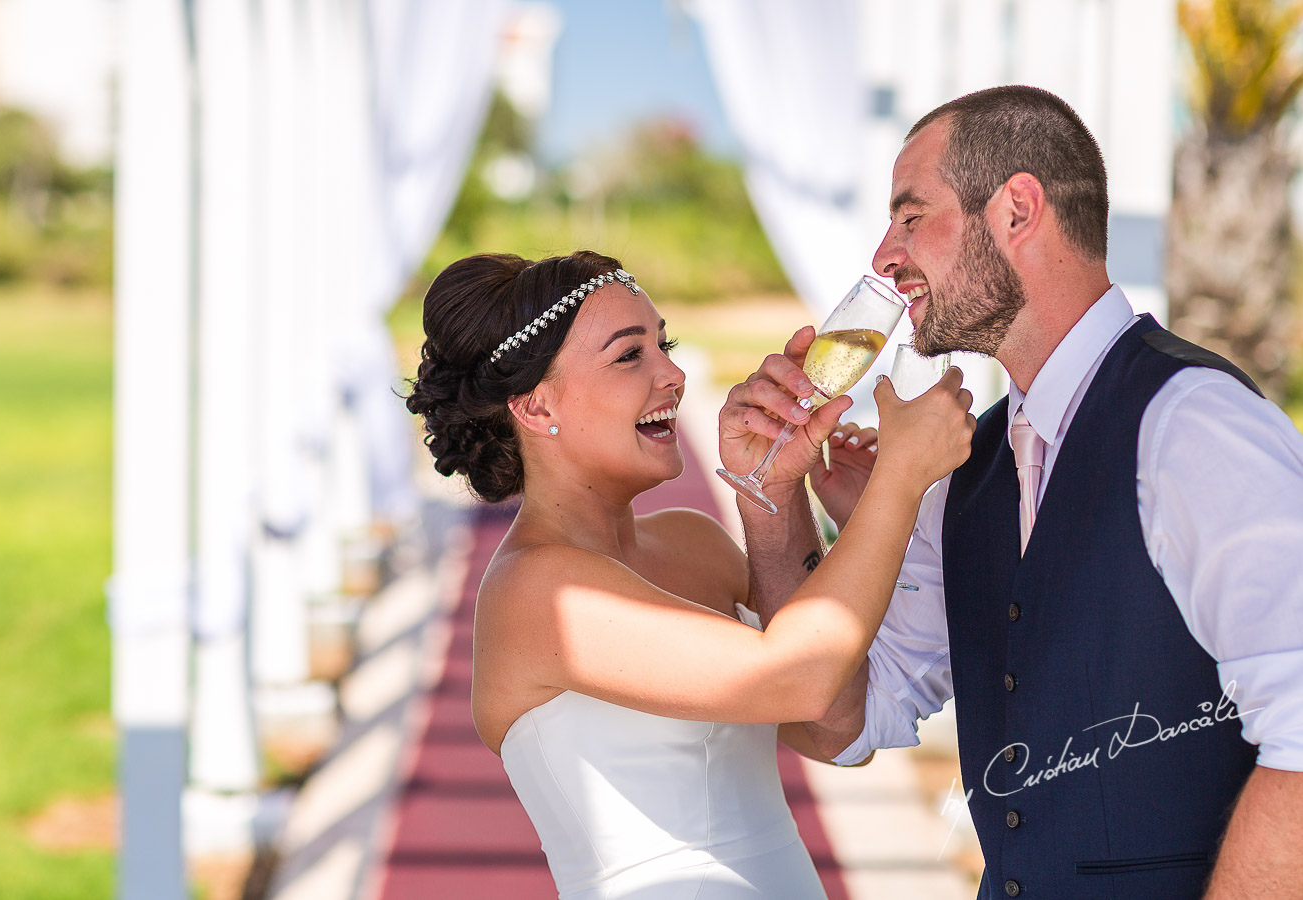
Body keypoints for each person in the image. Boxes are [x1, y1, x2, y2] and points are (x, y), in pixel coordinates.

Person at [722, 85, 1303, 899]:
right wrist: (773, 497)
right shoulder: (968, 470)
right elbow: (828, 717)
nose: (885, 256)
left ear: (1018, 210)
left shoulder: (1191, 425)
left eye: (911, 217)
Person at [405, 249, 975, 899]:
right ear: (535, 409)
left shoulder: (694, 543)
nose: (673, 373)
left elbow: (837, 729)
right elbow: (801, 677)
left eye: (663, 344)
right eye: (629, 355)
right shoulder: (537, 591)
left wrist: (775, 495)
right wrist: (899, 481)